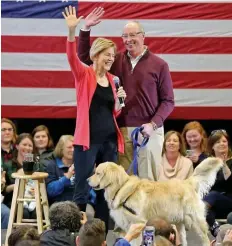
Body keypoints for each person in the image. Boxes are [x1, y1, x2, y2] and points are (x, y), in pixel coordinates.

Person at [78, 7, 174, 181]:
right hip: (120, 131)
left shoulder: (160, 65)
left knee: (148, 185)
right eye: (125, 36)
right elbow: (86, 56)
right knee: (123, 183)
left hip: (149, 130)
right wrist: (86, 28)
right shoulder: (115, 60)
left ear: (143, 36)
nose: (129, 40)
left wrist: (153, 125)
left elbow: (168, 101)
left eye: (133, 35)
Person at [62, 6, 126, 233]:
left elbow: (114, 112)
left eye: (112, 55)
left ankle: (101, 233)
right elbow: (71, 57)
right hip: (87, 140)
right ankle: (74, 232)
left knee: (107, 188)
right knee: (81, 188)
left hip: (109, 139)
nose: (110, 58)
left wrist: (119, 102)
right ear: (96, 55)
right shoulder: (84, 75)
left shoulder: (114, 79)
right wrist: (73, 31)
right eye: (107, 55)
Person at [204, 130, 232, 237]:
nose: (222, 143)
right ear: (212, 146)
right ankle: (216, 229)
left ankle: (200, 209)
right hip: (211, 203)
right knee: (208, 207)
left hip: (229, 201)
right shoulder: (208, 163)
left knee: (212, 196)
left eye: (224, 141)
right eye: (217, 142)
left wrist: (224, 164)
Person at [45, 135, 75, 205]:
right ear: (61, 149)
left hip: (78, 203)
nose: (73, 150)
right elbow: (50, 191)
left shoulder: (80, 165)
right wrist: (66, 178)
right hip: (59, 203)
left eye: (74, 147)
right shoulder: (52, 165)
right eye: (69, 147)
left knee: (89, 213)